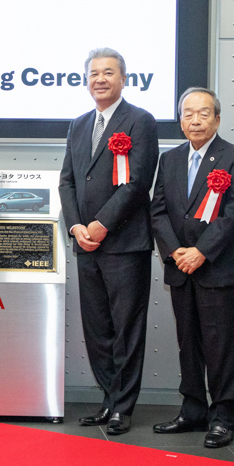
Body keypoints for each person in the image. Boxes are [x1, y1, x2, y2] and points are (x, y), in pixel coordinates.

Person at [58, 47, 159, 435]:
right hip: (85, 243)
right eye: (94, 73)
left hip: (124, 244)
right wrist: (76, 227)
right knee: (97, 328)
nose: (100, 79)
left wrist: (101, 224)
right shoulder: (79, 124)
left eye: (108, 72)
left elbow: (137, 183)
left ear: (124, 79)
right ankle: (108, 399)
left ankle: (123, 407)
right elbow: (68, 181)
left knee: (126, 328)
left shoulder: (140, 121)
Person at [149, 87, 234, 448]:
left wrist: (201, 252)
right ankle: (193, 410)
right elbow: (158, 210)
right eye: (188, 114)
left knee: (220, 346)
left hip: (219, 269)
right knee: (188, 343)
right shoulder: (170, 159)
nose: (195, 120)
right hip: (181, 267)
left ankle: (222, 417)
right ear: (180, 121)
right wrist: (176, 251)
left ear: (217, 119)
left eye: (204, 113)